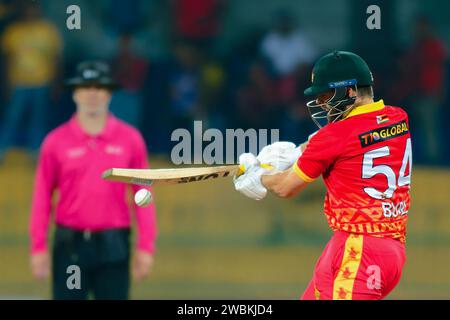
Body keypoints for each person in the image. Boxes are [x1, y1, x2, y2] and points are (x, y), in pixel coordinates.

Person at [234, 51, 412, 300]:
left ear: (348, 91)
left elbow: (286, 187)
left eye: (326, 95)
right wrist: (297, 154)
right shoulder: (398, 118)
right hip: (383, 249)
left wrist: (258, 176)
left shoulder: (334, 137)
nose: (322, 104)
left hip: (361, 251)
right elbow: (352, 141)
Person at [29, 61, 157, 300]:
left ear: (109, 92)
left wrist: (146, 246)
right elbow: (42, 196)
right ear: (75, 92)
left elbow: (144, 195)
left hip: (114, 244)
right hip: (70, 246)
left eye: (99, 87)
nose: (92, 94)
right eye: (86, 87)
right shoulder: (56, 142)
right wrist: (38, 246)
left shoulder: (130, 139)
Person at [0, 1, 62, 161]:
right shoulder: (14, 31)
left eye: (33, 7)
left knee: (38, 119)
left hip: (41, 82)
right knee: (12, 118)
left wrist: (55, 83)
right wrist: (6, 83)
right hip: (18, 82)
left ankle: (35, 152)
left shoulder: (48, 31)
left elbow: (55, 59)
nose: (30, 11)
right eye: (27, 8)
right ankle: (2, 149)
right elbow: (7, 60)